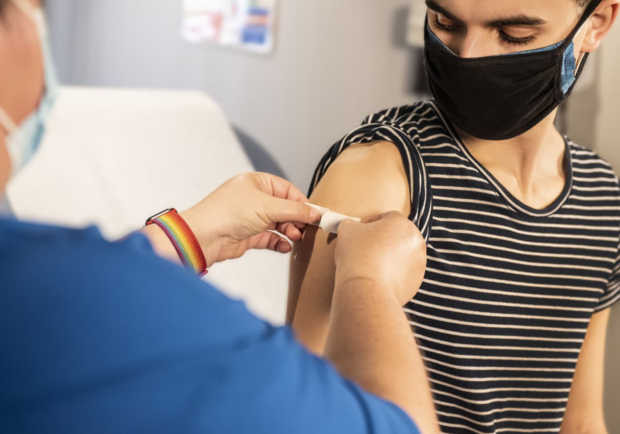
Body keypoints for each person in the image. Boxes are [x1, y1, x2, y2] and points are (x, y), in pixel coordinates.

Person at [0, 0, 441, 433]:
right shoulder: (189, 338)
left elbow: (77, 292)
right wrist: (367, 278)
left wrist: (187, 235)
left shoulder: (34, 281)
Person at [288, 0, 620, 433]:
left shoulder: (602, 196)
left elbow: (582, 420)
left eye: (514, 35)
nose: (468, 57)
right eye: (445, 22)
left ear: (595, 23)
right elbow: (301, 408)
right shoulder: (379, 174)